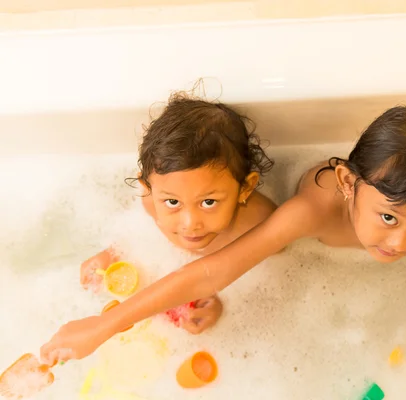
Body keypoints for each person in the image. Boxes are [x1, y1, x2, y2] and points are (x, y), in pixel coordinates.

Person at [42, 105, 406, 380]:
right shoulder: (313, 208)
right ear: (346, 182)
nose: (402, 241)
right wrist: (106, 325)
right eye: (387, 217)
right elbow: (212, 270)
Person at [78, 90, 276, 334]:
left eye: (208, 202)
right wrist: (110, 255)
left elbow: (258, 279)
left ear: (245, 188)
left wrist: (219, 305)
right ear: (148, 186)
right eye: (173, 202)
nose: (190, 223)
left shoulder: (258, 223)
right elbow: (140, 236)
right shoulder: (151, 201)